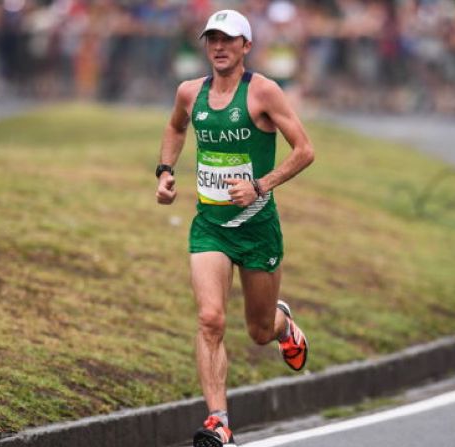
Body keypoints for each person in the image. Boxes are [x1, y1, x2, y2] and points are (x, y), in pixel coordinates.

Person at [154, 9, 314, 447]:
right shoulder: (190, 92)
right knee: (209, 319)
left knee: (259, 332)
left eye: (229, 40)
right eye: (212, 40)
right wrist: (165, 171)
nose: (219, 48)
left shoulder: (263, 92)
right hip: (210, 227)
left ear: (246, 46)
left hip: (257, 228)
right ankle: (219, 422)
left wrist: (261, 184)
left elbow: (304, 150)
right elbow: (175, 126)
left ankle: (283, 324)